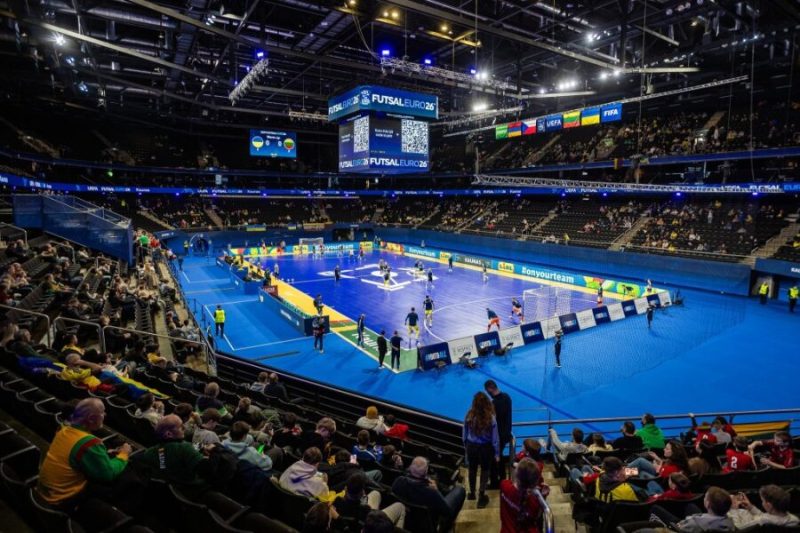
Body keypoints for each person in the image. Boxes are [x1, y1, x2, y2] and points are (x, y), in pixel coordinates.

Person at [37, 399, 131, 507]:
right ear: (91, 418)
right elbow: (108, 475)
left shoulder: (63, 429)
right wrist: (124, 454)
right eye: (102, 412)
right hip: (62, 500)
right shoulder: (89, 443)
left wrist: (104, 453)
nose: (105, 414)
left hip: (43, 493)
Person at [132, 414, 212, 492]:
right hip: (191, 490)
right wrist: (216, 452)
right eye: (181, 427)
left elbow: (175, 450)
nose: (184, 427)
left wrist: (201, 446)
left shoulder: (150, 452)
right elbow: (208, 470)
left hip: (170, 490)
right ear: (169, 434)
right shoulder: (186, 448)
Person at [391, 456, 466, 528]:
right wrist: (436, 491)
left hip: (409, 519)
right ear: (426, 471)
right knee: (460, 489)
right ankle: (446, 526)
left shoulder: (399, 481)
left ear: (410, 467)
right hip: (429, 522)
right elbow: (447, 511)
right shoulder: (431, 491)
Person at [463, 392, 499, 508]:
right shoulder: (491, 418)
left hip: (472, 446)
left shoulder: (469, 415)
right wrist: (497, 453)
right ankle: (481, 494)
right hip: (486, 448)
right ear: (487, 403)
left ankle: (472, 493)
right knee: (485, 470)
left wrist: (466, 446)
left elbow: (465, 433)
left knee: (472, 469)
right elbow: (495, 438)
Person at [334, 473, 406, 527]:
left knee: (376, 493)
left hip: (358, 515)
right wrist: (365, 503)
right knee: (400, 506)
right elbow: (372, 516)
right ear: (362, 493)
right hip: (374, 524)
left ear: (346, 489)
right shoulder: (365, 510)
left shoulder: (337, 501)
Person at [652, 486, 733, 532]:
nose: (704, 498)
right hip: (708, 522)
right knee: (690, 506)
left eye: (705, 497)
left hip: (682, 528)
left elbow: (681, 527)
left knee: (655, 509)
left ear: (708, 504)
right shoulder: (730, 522)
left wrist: (678, 525)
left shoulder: (695, 523)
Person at [499, 458, 542, 533]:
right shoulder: (534, 502)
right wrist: (543, 496)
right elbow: (537, 516)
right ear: (534, 483)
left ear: (516, 473)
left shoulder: (504, 486)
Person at [728, 484, 800, 529]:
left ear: (769, 505)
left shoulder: (762, 521)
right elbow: (767, 516)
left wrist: (734, 510)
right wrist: (751, 507)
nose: (762, 502)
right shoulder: (793, 519)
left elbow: (739, 527)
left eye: (762, 500)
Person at [485, 380, 512, 488]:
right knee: (499, 456)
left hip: (497, 435)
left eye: (488, 391)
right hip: (506, 433)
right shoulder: (507, 397)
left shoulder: (494, 404)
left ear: (490, 389)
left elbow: (492, 421)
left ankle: (495, 482)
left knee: (493, 459)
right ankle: (502, 478)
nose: (488, 393)